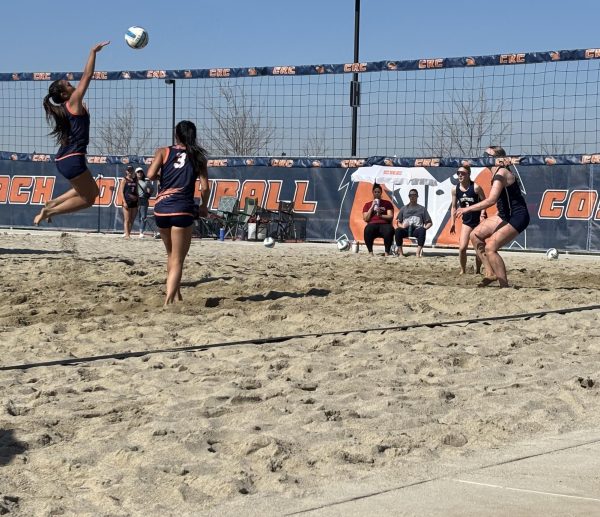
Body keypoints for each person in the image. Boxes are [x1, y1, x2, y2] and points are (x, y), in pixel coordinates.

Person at [34, 41, 110, 225]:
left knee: (85, 189)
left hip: (65, 158)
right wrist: (93, 52)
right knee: (90, 198)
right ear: (64, 94)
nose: (72, 85)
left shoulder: (65, 108)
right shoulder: (73, 101)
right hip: (72, 158)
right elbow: (88, 75)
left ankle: (53, 202)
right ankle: (50, 210)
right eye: (68, 85)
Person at [146, 120, 209, 305]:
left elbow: (150, 175)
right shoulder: (198, 156)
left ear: (176, 135)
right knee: (178, 259)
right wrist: (204, 206)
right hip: (183, 209)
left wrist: (162, 176)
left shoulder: (163, 151)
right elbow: (205, 187)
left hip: (162, 209)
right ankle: (169, 299)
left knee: (171, 255)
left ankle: (177, 293)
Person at [456, 146, 530, 288]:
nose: (483, 157)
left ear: (498, 159)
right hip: (504, 215)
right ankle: (490, 273)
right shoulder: (496, 173)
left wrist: (467, 209)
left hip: (517, 216)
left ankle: (504, 285)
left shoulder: (501, 173)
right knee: (475, 235)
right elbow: (503, 201)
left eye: (487, 155)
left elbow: (491, 200)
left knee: (490, 248)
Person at [450, 164, 487, 274]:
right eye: (458, 173)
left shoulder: (475, 187)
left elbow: (485, 202)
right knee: (462, 248)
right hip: (467, 221)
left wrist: (482, 215)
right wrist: (452, 222)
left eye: (463, 173)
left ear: (469, 174)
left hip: (478, 221)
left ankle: (478, 270)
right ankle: (463, 270)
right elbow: (453, 207)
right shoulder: (455, 189)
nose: (460, 175)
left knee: (478, 248)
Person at [394, 189, 432, 258]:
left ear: (417, 196)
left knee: (422, 230)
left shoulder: (422, 209)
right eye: (411, 195)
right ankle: (401, 253)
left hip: (416, 229)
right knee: (397, 230)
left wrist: (424, 228)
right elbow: (398, 222)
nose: (412, 197)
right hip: (406, 229)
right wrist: (402, 226)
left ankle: (417, 253)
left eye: (414, 195)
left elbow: (429, 223)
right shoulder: (403, 208)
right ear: (409, 197)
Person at [362, 183, 395, 256]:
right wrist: (372, 207)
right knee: (367, 229)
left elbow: (390, 216)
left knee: (389, 230)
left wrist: (381, 215)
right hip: (372, 224)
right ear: (373, 193)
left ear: (381, 193)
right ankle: (370, 252)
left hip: (384, 224)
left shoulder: (387, 203)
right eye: (375, 192)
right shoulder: (367, 204)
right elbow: (365, 219)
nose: (377, 193)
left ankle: (387, 252)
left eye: (378, 192)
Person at [135, 167, 154, 238]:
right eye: (138, 172)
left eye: (141, 172)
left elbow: (152, 188)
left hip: (143, 200)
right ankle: (127, 232)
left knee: (143, 217)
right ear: (135, 173)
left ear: (143, 173)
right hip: (135, 200)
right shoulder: (133, 181)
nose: (140, 173)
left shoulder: (146, 181)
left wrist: (148, 194)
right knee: (131, 216)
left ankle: (141, 232)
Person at [121, 165, 138, 239]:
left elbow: (137, 190)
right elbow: (121, 192)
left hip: (134, 201)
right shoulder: (124, 179)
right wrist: (124, 202)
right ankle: (127, 235)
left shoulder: (135, 180)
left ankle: (128, 233)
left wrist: (138, 200)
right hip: (127, 201)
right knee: (127, 219)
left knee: (132, 219)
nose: (130, 172)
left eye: (131, 170)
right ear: (126, 171)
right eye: (128, 170)